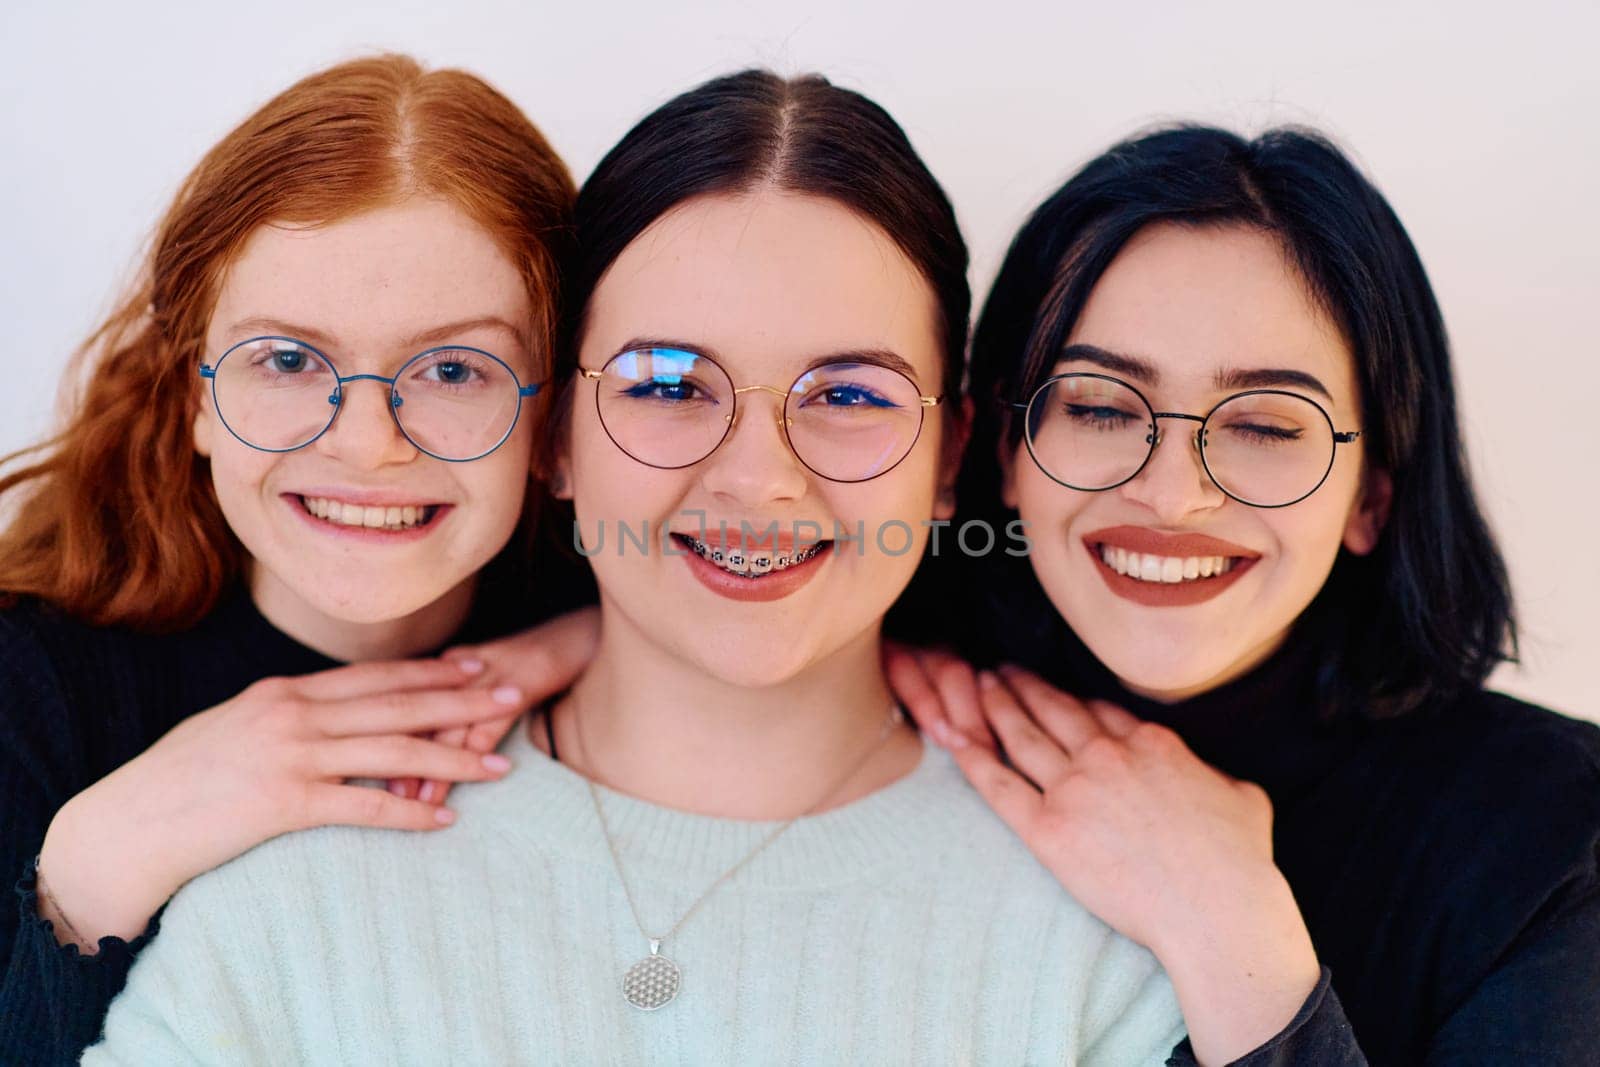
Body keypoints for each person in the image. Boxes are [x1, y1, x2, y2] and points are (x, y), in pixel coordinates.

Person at [84, 70, 1187, 1065]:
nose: (758, 479)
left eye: (850, 396)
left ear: (948, 458)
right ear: (553, 435)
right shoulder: (288, 879)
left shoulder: (1103, 913)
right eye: (667, 384)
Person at [888, 125, 1600, 1064]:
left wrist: (1231, 935)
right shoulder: (884, 723)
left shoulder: (1552, 834)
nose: (1174, 493)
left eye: (1265, 425)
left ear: (1372, 495)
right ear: (1007, 454)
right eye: (1100, 406)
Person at [0, 54, 594, 1065]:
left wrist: (596, 637)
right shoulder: (30, 679)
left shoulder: (622, 621)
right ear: (192, 398)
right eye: (285, 359)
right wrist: (90, 870)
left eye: (454, 368)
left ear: (553, 425)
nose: (368, 441)